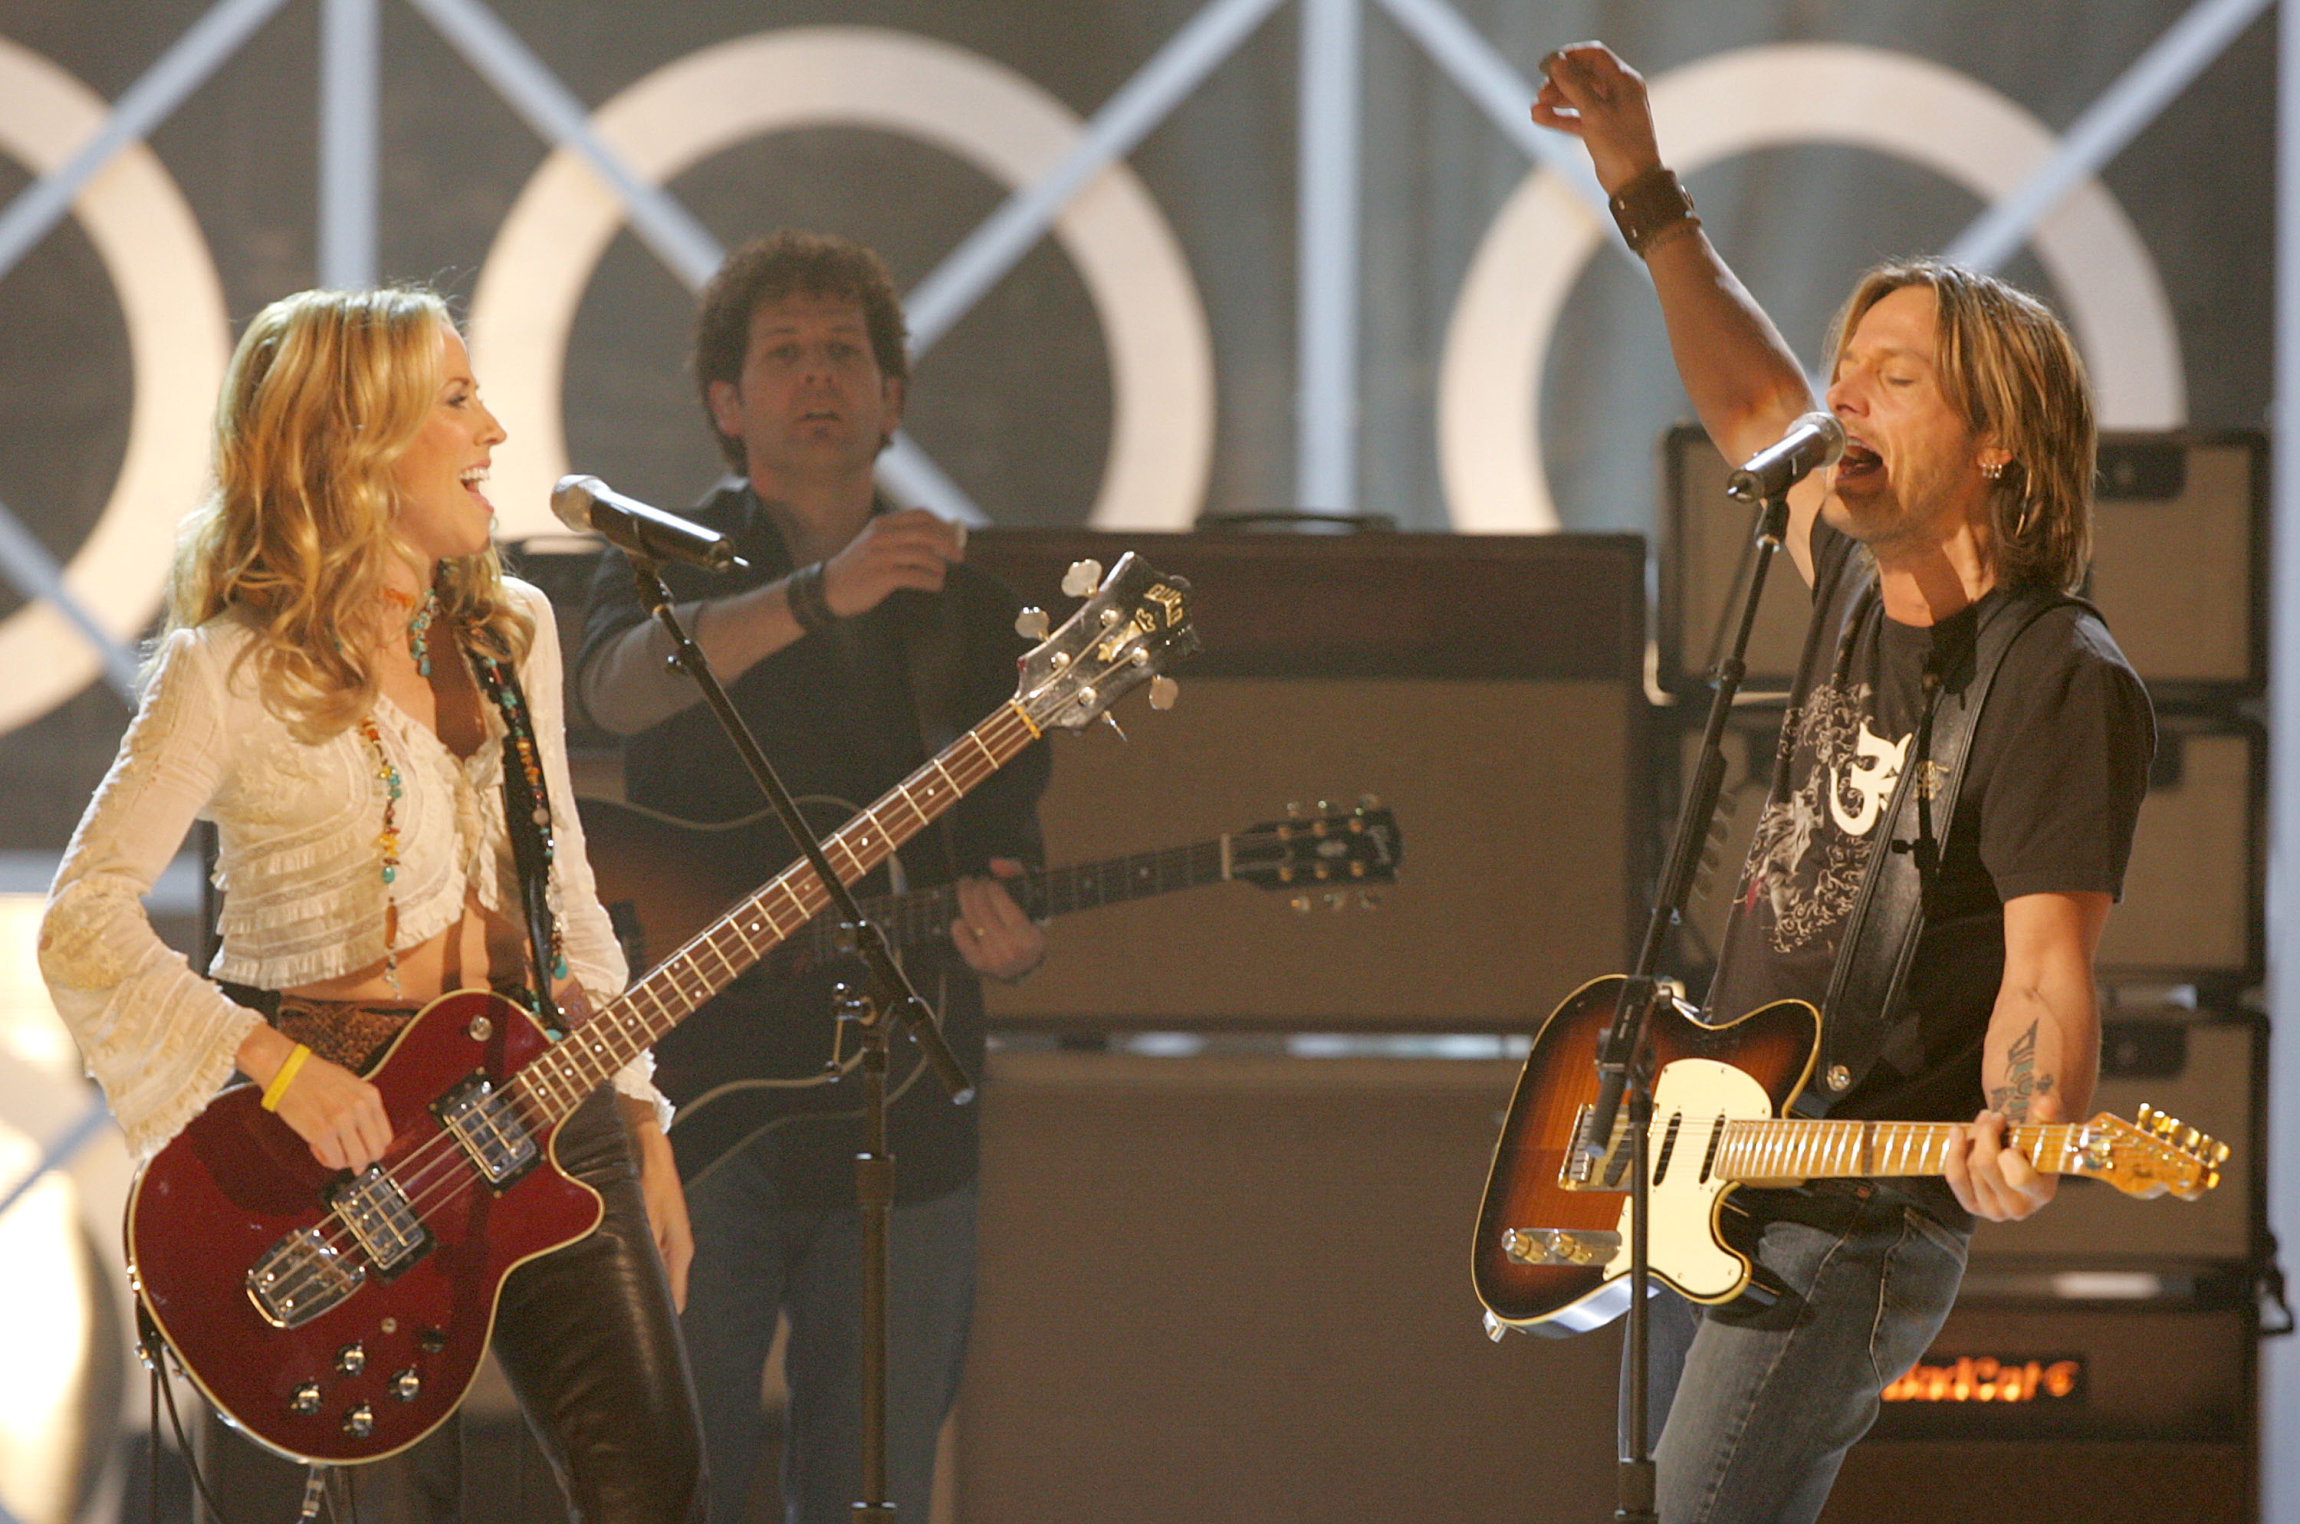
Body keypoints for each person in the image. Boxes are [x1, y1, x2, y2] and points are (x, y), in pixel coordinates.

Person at [1533, 43, 2155, 1524]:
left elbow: (2048, 971)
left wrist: (2029, 1121)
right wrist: (1641, 185)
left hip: (1855, 1222)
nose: (1844, 401)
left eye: (1897, 377)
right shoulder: (1852, 589)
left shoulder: (2059, 673)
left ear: (1996, 439)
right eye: (1845, 371)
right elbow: (1752, 397)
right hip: (1719, 1170)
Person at [39, 287, 704, 1521]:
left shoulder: (515, 632)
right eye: (455, 401)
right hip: (339, 1150)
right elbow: (81, 918)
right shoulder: (229, 666)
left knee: (652, 1491)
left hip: (538, 1091)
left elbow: (561, 889)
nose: (495, 429)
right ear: (355, 444)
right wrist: (280, 1070)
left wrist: (642, 1113)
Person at [575, 231, 1050, 1524]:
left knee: (875, 1487)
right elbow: (613, 695)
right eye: (783, 354)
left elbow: (1011, 845)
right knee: (680, 1473)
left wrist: (1015, 929)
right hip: (692, 1102)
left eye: (848, 351)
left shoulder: (973, 610)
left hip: (901, 1113)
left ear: (896, 400)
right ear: (728, 406)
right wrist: (819, 596)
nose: (819, 375)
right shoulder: (668, 557)